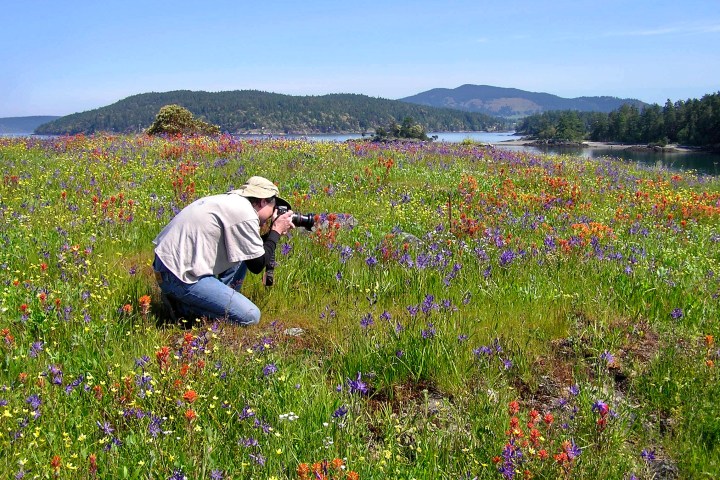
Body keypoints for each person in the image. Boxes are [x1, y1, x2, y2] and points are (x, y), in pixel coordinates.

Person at [152, 176, 295, 325]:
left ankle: (215, 300)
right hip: (179, 277)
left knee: (243, 252)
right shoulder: (245, 214)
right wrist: (276, 231)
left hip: (166, 267)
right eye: (274, 207)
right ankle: (182, 309)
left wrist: (271, 234)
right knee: (251, 317)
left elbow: (253, 253)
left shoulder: (231, 203)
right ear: (263, 201)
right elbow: (257, 265)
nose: (273, 215)